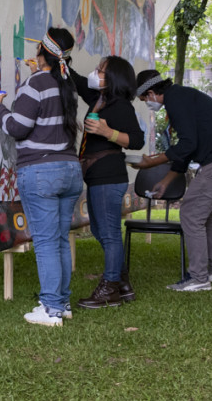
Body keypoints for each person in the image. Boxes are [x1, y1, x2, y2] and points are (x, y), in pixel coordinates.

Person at [0, 27, 83, 327]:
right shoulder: (66, 85)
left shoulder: (36, 83)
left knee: (44, 241)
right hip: (69, 169)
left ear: (42, 52)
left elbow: (17, 127)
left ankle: (51, 310)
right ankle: (62, 303)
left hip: (41, 171)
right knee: (59, 239)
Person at [132, 70, 212, 292]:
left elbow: (187, 144)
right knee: (202, 212)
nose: (147, 104)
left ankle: (199, 278)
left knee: (190, 212)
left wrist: (153, 161)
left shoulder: (176, 100)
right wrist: (166, 180)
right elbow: (188, 149)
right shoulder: (181, 97)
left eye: (144, 100)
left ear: (151, 93)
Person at [70, 56, 144, 308]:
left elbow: (136, 140)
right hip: (96, 176)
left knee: (109, 233)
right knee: (102, 231)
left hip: (108, 176)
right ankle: (122, 285)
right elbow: (78, 82)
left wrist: (106, 132)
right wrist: (59, 61)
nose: (95, 74)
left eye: (100, 72)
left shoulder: (121, 106)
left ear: (113, 78)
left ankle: (110, 288)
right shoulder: (99, 100)